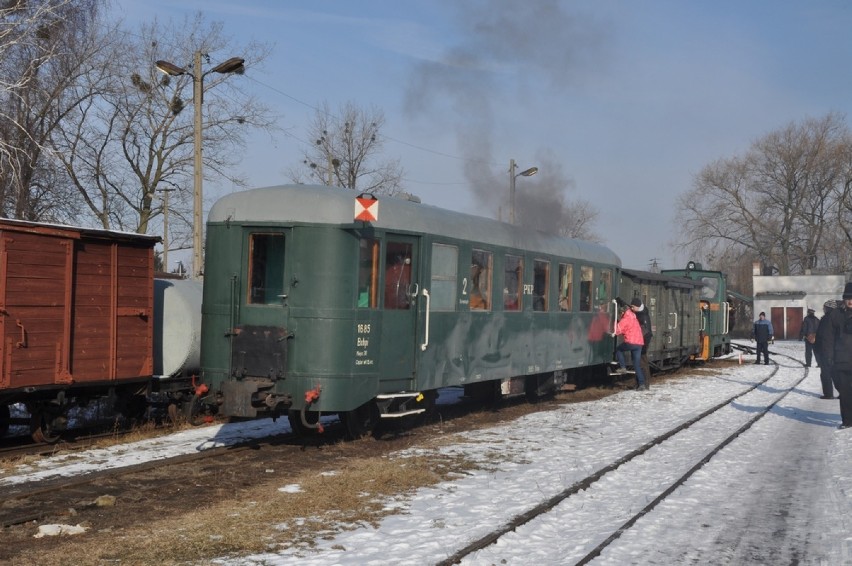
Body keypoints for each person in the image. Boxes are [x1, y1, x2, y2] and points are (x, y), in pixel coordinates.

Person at [822, 283, 852, 429]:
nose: (851, 301)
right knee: (845, 392)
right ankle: (847, 420)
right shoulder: (835, 315)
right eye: (848, 298)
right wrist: (829, 356)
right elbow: (828, 338)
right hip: (842, 360)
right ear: (844, 299)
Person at [614, 297, 647, 390]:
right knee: (636, 365)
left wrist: (615, 325)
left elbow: (617, 330)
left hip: (631, 342)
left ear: (623, 312)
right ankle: (642, 384)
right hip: (639, 343)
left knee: (619, 349)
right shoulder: (633, 316)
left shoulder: (626, 319)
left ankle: (623, 367)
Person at [814, 300, 839, 400]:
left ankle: (828, 394)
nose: (823, 309)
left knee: (825, 373)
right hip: (836, 350)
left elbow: (824, 336)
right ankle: (844, 392)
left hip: (826, 350)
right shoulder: (838, 318)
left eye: (824, 307)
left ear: (828, 308)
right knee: (835, 373)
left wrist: (819, 349)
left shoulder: (826, 319)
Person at [633, 298, 653, 389]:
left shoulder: (643, 316)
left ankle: (645, 384)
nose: (632, 308)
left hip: (643, 342)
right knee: (639, 362)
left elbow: (647, 332)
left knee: (643, 363)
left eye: (633, 306)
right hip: (640, 341)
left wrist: (644, 346)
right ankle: (640, 383)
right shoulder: (640, 313)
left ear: (637, 307)